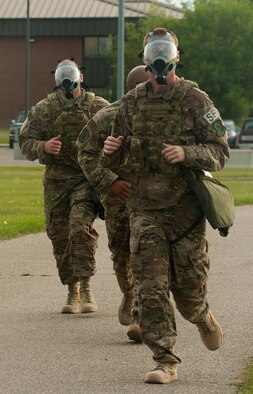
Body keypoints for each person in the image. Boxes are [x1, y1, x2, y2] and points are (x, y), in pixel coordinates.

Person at [100, 28, 230, 384]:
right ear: (145, 59)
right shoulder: (130, 103)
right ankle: (165, 360)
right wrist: (109, 153)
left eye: (165, 50)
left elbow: (220, 152)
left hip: (186, 213)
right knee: (150, 287)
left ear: (175, 56)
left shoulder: (195, 100)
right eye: (153, 51)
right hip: (144, 211)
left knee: (188, 293)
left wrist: (187, 153)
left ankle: (201, 315)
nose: (159, 57)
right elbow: (114, 159)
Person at [19, 59, 109, 314]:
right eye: (63, 77)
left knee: (79, 228)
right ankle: (73, 289)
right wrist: (43, 147)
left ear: (81, 76)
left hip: (85, 179)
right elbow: (25, 140)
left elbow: (116, 133)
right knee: (59, 237)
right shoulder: (44, 109)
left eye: (72, 75)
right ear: (57, 81)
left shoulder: (97, 106)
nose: (69, 81)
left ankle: (87, 287)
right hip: (57, 182)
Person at [77, 65, 151, 341]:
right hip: (118, 199)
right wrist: (109, 180)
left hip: (152, 199)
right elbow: (84, 153)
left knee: (147, 254)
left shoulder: (162, 114)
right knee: (121, 254)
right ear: (132, 89)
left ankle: (140, 315)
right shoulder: (107, 116)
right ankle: (129, 294)